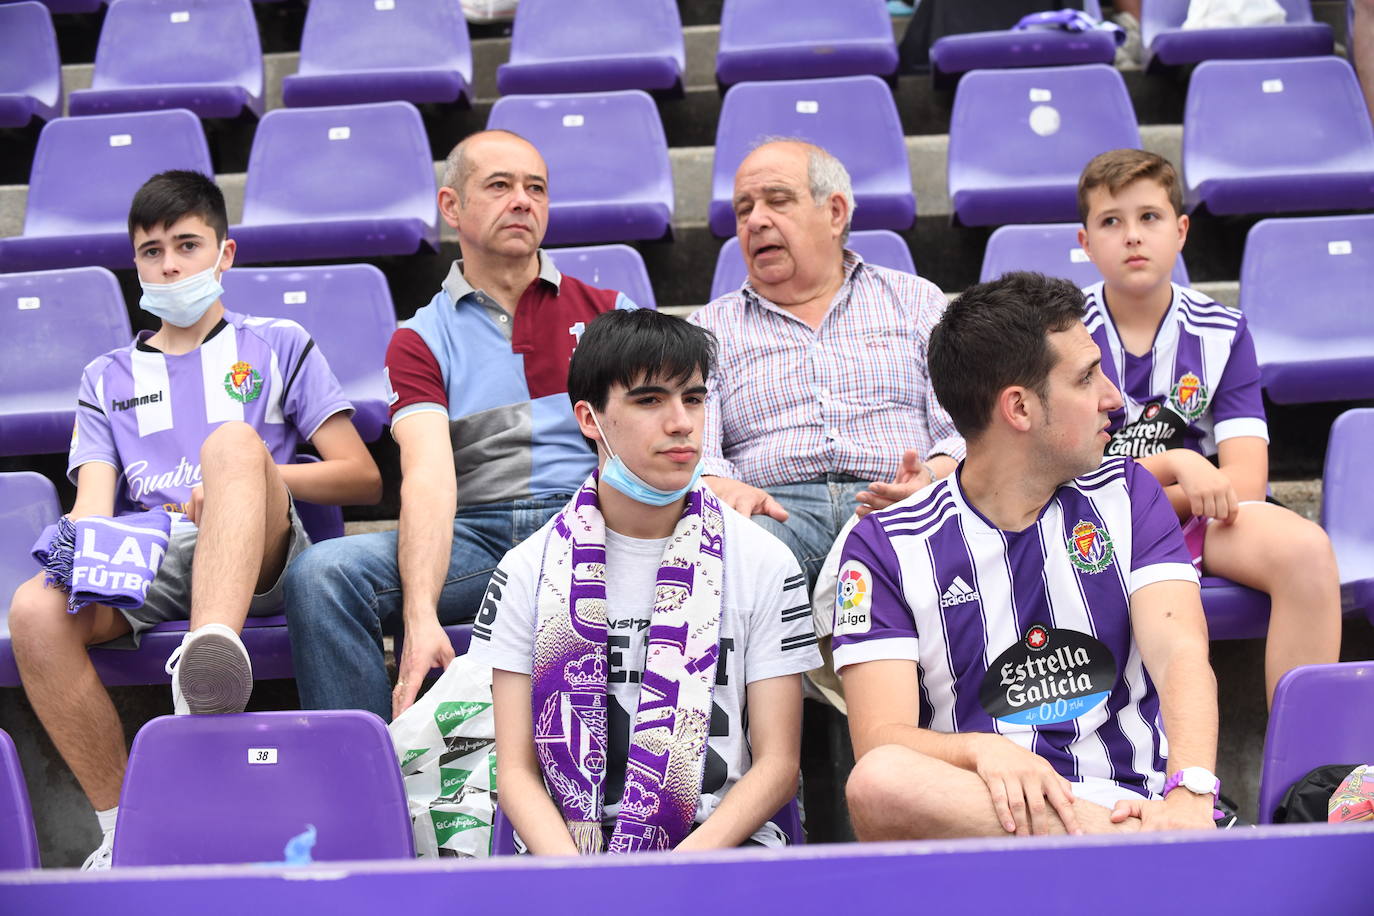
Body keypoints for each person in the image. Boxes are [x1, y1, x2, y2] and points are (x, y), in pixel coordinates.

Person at [7, 170, 381, 869]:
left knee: (232, 445)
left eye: (186, 245)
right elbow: (93, 502)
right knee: (33, 611)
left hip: (261, 545)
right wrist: (76, 555)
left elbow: (361, 475)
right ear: (136, 265)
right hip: (152, 554)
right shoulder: (105, 375)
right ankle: (125, 831)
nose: (170, 264)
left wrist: (247, 477)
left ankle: (209, 658)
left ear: (225, 254)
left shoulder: (279, 342)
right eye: (152, 252)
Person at [840, 271, 1225, 841]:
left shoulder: (1128, 493)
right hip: (992, 821)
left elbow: (1182, 655)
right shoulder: (886, 544)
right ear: (1019, 408)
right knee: (879, 779)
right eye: (1087, 377)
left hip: (1140, 804)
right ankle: (1140, 852)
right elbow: (879, 738)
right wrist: (980, 752)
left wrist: (1191, 791)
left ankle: (1154, 847)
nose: (1113, 399)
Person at [283, 130, 636, 721]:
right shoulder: (420, 337)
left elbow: (640, 452)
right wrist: (419, 615)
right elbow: (427, 476)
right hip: (477, 538)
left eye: (536, 189)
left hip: (585, 521)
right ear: (451, 207)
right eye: (499, 185)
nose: (522, 200)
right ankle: (370, 787)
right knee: (321, 575)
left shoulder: (610, 311)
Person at [471, 309, 821, 853]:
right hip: (569, 854)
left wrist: (666, 876)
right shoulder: (527, 569)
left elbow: (777, 764)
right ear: (590, 418)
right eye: (650, 400)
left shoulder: (764, 562)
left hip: (718, 849)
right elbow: (516, 771)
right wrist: (586, 881)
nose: (682, 422)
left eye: (695, 399)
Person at [1076, 148, 1341, 706]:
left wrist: (1179, 489)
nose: (1132, 236)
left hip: (1203, 516)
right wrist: (1182, 469)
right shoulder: (1063, 332)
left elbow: (1241, 486)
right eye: (1111, 221)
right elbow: (1070, 483)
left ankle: (1307, 779)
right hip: (1089, 521)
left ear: (1181, 229)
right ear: (1085, 242)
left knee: (1307, 550)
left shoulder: (1222, 331)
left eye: (1149, 217)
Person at [689, 139, 963, 588]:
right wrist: (722, 486)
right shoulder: (708, 328)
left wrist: (932, 476)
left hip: (899, 502)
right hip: (775, 512)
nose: (756, 220)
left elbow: (962, 428)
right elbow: (701, 452)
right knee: (734, 555)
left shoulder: (915, 300)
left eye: (777, 201)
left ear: (835, 212)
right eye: (743, 210)